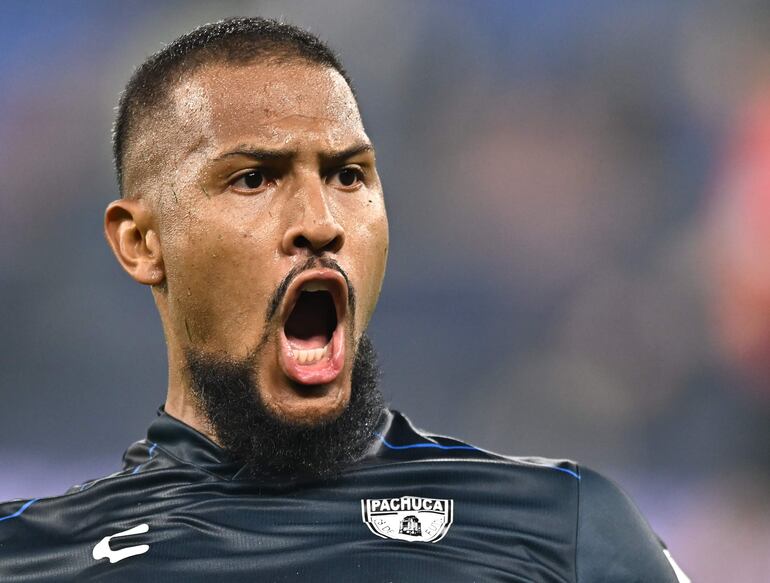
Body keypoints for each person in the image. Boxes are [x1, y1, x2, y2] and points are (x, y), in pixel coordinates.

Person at [0, 18, 689, 582]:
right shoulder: (30, 557)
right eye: (252, 178)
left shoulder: (561, 528)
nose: (320, 219)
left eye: (347, 174)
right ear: (141, 241)